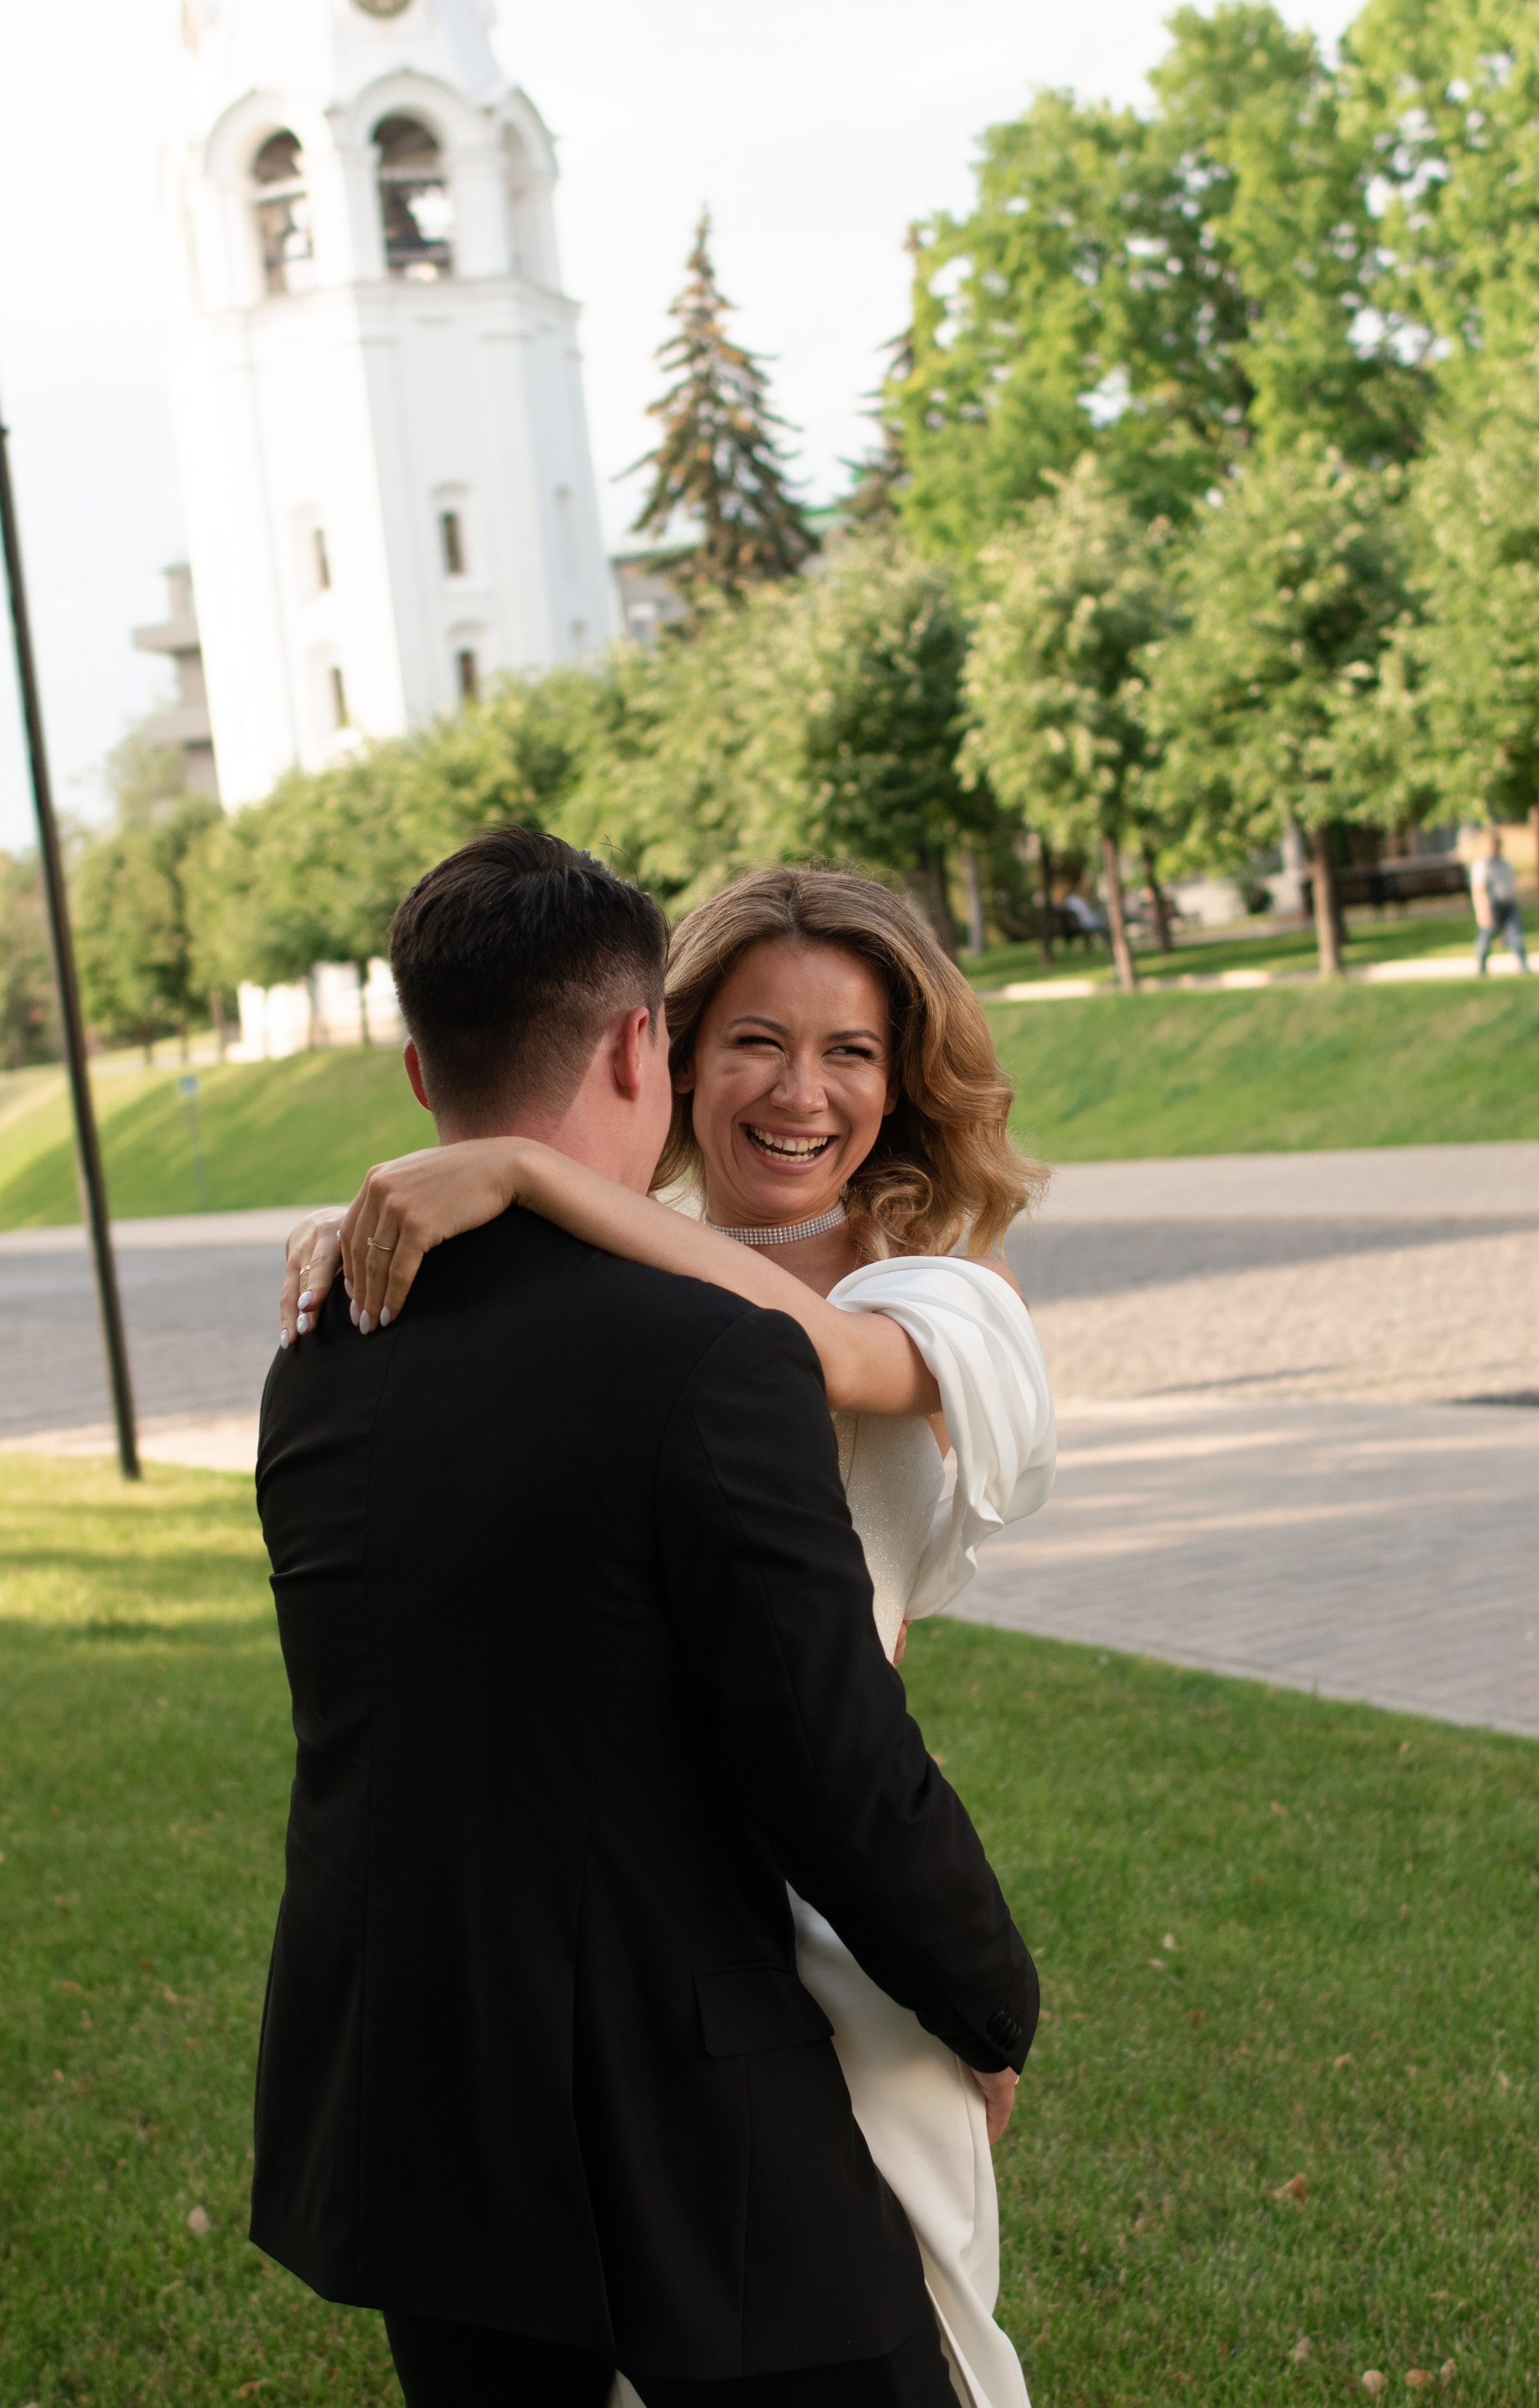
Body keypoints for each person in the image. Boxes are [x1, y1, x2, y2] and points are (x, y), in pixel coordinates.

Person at [257, 830, 1045, 2408]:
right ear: (660, 1050)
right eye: (753, 1038)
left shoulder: (936, 1301)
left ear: (902, 1082)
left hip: (816, 1915)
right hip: (651, 1928)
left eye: (849, 1051)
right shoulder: (556, 1293)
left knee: (919, 2325)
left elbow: (812, 1352)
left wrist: (530, 1164)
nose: (799, 1090)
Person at [1470, 832, 1529, 974]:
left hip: (1508, 904)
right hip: (1492, 905)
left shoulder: (1505, 864)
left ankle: (1523, 966)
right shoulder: (1483, 865)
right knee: (1486, 936)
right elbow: (1479, 889)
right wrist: (1482, 911)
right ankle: (1481, 968)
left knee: (1515, 935)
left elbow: (1510, 886)